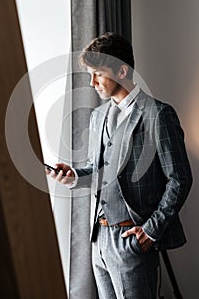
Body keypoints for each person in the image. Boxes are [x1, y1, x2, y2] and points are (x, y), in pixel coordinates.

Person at [46, 32, 192, 299]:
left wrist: (150, 231)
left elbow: (180, 179)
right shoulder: (98, 116)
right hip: (98, 240)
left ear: (122, 70)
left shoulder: (158, 114)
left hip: (132, 239)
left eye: (98, 74)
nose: (92, 83)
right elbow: (99, 171)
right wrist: (75, 176)